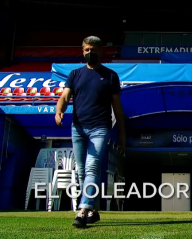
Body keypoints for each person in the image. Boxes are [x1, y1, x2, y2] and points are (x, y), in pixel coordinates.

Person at [55, 36, 126, 228]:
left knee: (92, 167)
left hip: (100, 128)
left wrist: (121, 133)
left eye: (93, 49)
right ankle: (93, 211)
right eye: (86, 49)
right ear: (82, 51)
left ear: (101, 51)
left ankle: (83, 208)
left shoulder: (110, 76)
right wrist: (59, 110)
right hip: (77, 127)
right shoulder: (75, 74)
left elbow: (117, 107)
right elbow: (65, 95)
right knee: (82, 172)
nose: (89, 53)